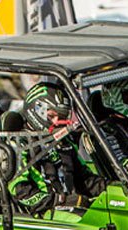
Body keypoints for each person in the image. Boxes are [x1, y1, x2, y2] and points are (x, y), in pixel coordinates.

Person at [9, 82, 107, 216]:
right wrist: (61, 200)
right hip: (43, 214)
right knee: (101, 224)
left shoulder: (63, 141)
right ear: (36, 111)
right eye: (52, 116)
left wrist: (111, 188)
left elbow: (85, 180)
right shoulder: (18, 145)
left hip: (71, 207)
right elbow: (21, 192)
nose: (57, 122)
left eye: (61, 117)